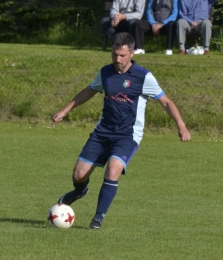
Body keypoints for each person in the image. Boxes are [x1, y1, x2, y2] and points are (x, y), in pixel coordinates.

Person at [52, 32, 191, 230]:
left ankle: (98, 217)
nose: (118, 59)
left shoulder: (144, 77)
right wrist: (65, 110)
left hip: (128, 135)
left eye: (122, 55)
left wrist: (181, 126)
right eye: (115, 54)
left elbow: (166, 101)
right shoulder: (105, 72)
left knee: (113, 168)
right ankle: (79, 192)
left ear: (132, 53)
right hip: (102, 132)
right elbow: (89, 90)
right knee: (78, 175)